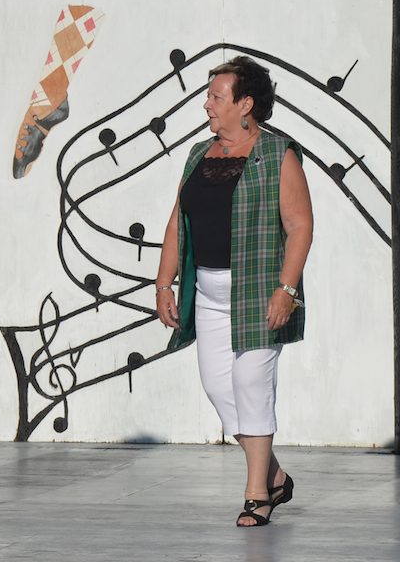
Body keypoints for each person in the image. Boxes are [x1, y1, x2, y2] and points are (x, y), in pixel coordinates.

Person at [155, 56, 313, 527]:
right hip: (206, 290)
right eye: (209, 96)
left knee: (251, 385)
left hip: (258, 289)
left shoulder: (278, 153)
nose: (207, 105)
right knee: (218, 386)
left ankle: (256, 493)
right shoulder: (199, 155)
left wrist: (287, 289)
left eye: (215, 97)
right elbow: (176, 223)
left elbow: (300, 225)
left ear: (245, 104)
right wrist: (164, 282)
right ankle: (275, 474)